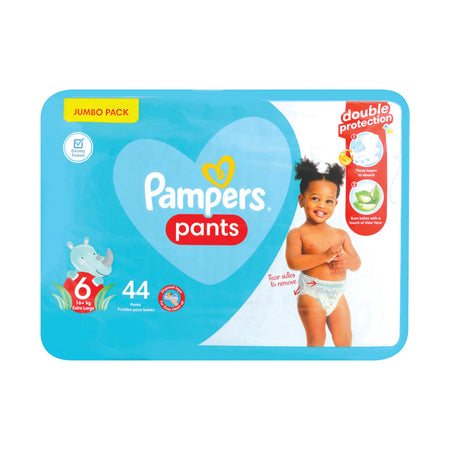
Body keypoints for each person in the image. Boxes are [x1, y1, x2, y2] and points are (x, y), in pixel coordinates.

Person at [285, 158, 361, 347]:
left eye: (328, 201)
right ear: (302, 200)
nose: (322, 205)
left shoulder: (340, 234)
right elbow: (293, 262)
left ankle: (344, 364)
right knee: (316, 340)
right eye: (315, 199)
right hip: (312, 293)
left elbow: (357, 262)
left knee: (345, 339)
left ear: (335, 204)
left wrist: (348, 262)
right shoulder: (298, 234)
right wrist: (324, 256)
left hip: (337, 294)